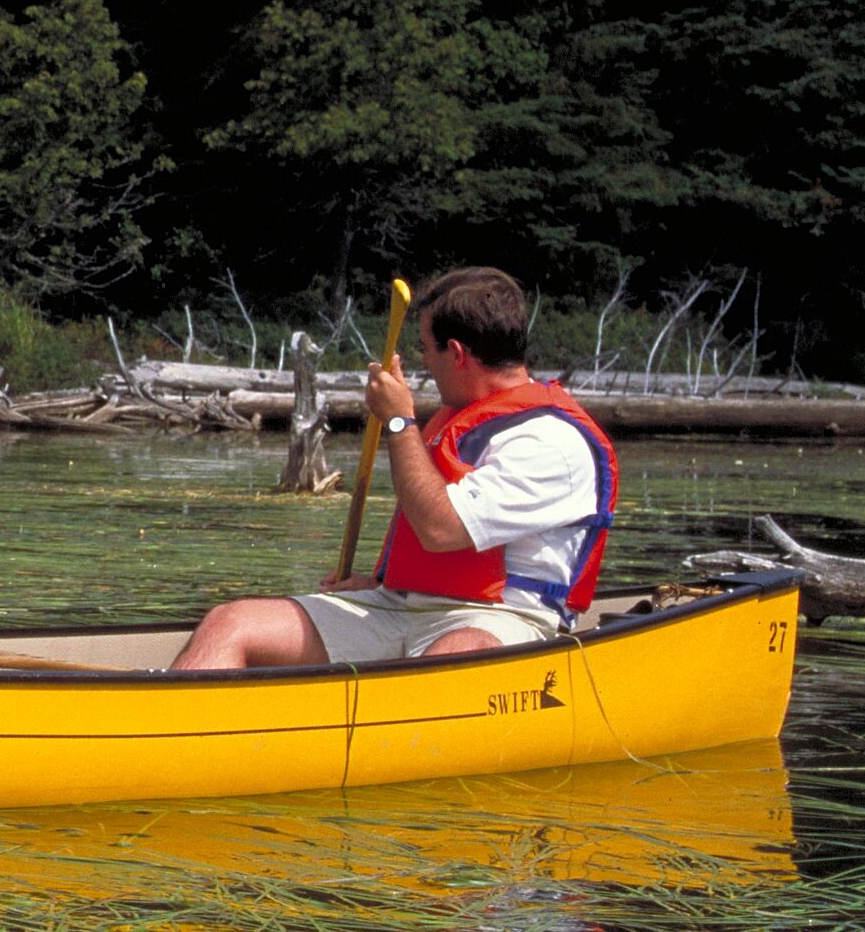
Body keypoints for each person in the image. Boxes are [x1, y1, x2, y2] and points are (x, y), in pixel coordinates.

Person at [170, 266, 618, 670]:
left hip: (496, 621)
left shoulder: (550, 442)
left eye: (427, 350)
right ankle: (178, 744)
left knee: (455, 654)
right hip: (400, 608)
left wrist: (400, 421)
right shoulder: (457, 416)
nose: (423, 362)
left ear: (458, 354)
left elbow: (441, 529)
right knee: (231, 622)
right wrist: (383, 582)